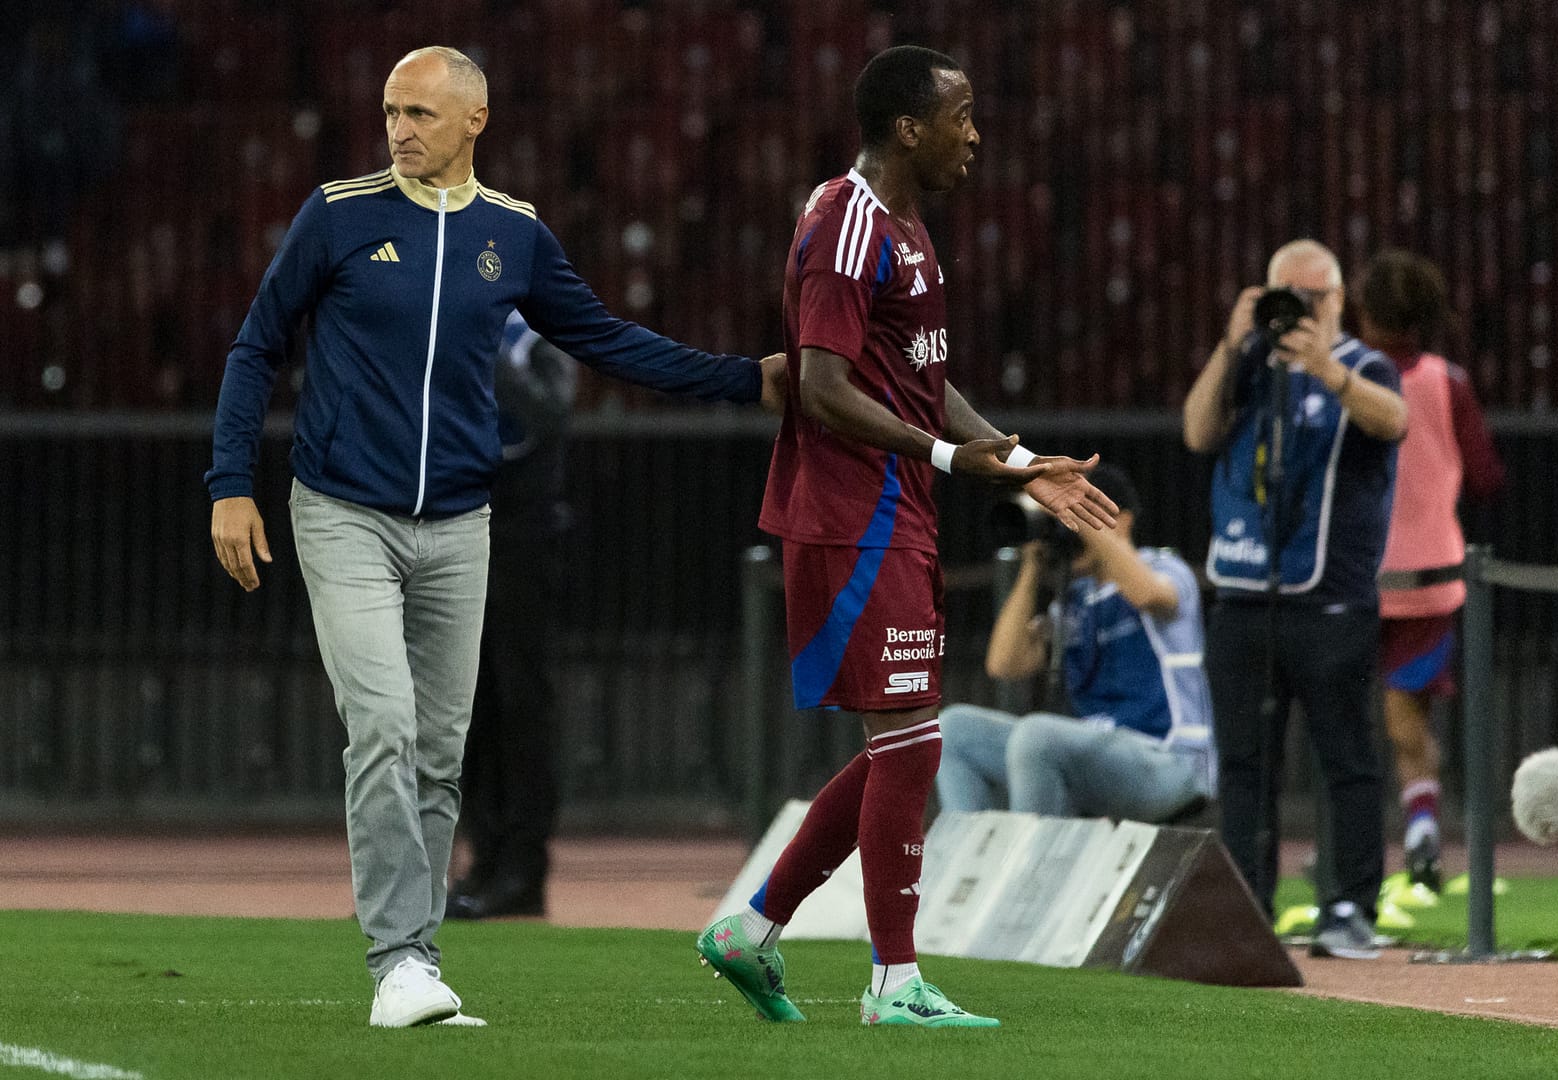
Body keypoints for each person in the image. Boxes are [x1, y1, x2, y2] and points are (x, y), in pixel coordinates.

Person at [206, 46, 783, 1028]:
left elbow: (601, 337)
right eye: (390, 110)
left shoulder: (512, 235)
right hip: (342, 512)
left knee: (439, 751)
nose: (398, 129)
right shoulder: (339, 213)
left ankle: (419, 962)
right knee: (383, 728)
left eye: (420, 113)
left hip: (461, 525)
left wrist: (744, 377)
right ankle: (395, 962)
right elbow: (257, 342)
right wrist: (229, 487)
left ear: (474, 120)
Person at [696, 45, 1118, 1029]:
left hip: (897, 513)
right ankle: (893, 984)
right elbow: (820, 382)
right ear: (905, 129)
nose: (974, 135)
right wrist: (942, 458)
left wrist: (1015, 464)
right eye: (960, 117)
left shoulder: (909, 227)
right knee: (913, 742)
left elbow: (918, 381)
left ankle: (753, 930)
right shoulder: (846, 224)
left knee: (908, 742)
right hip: (850, 516)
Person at [1182, 239, 1408, 960]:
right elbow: (1197, 431)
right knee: (1245, 765)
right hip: (1244, 598)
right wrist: (1230, 343)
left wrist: (1326, 370)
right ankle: (1250, 902)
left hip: (1330, 603)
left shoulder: (1364, 368)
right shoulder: (1248, 367)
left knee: (1346, 758)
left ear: (1341, 301)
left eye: (1316, 299)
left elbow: (1393, 421)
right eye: (1288, 297)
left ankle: (1349, 908)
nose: (1302, 312)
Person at [934, 463, 1215, 823]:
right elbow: (1005, 663)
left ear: (1123, 521)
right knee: (954, 730)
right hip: (1099, 759)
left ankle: (1032, 874)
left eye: (1081, 513)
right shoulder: (1074, 601)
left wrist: (1083, 518)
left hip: (1169, 762)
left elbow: (1148, 595)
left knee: (1036, 735)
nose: (1070, 526)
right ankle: (970, 868)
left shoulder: (1164, 568)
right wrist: (1032, 564)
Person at [1358, 249, 1504, 893]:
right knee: (1399, 715)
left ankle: (1407, 833)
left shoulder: (1344, 374)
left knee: (1386, 716)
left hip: (1357, 576)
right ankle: (1402, 830)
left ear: (1364, 310)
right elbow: (1487, 476)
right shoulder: (1451, 381)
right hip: (1435, 574)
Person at [446, 313, 576, 921]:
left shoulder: (535, 333)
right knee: (468, 702)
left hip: (524, 533)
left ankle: (525, 868)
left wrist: (486, 353)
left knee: (521, 700)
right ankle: (484, 856)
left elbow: (552, 409)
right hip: (459, 522)